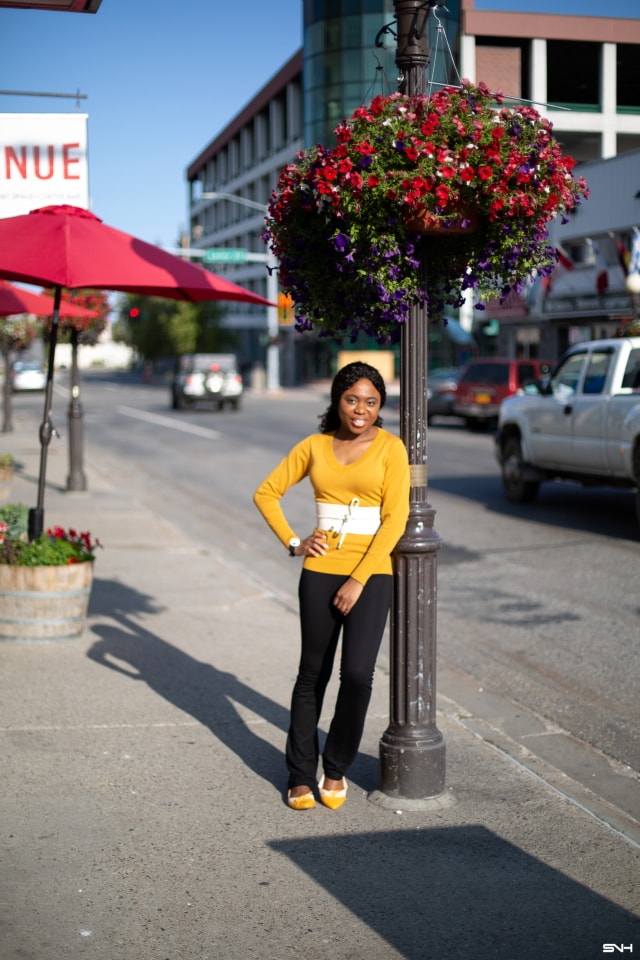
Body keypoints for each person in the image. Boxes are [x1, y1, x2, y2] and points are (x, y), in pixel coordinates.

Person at [253, 361, 410, 810]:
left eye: (371, 402)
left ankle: (335, 766)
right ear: (338, 401)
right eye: (352, 399)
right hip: (320, 571)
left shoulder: (391, 449)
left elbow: (395, 519)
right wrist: (294, 542)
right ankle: (301, 773)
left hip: (372, 573)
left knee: (358, 675)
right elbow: (266, 492)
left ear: (380, 407)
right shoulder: (315, 447)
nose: (361, 409)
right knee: (312, 675)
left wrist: (359, 578)